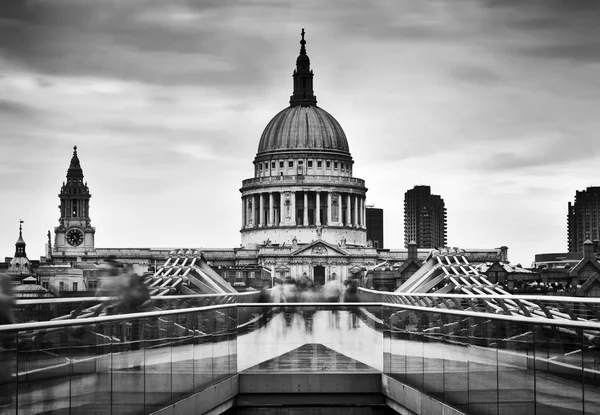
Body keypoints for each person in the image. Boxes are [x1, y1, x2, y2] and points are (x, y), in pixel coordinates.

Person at [0, 273, 15, 406]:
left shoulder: (4, 278)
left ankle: (5, 397)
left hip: (4, 332)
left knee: (3, 366)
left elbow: (11, 300)